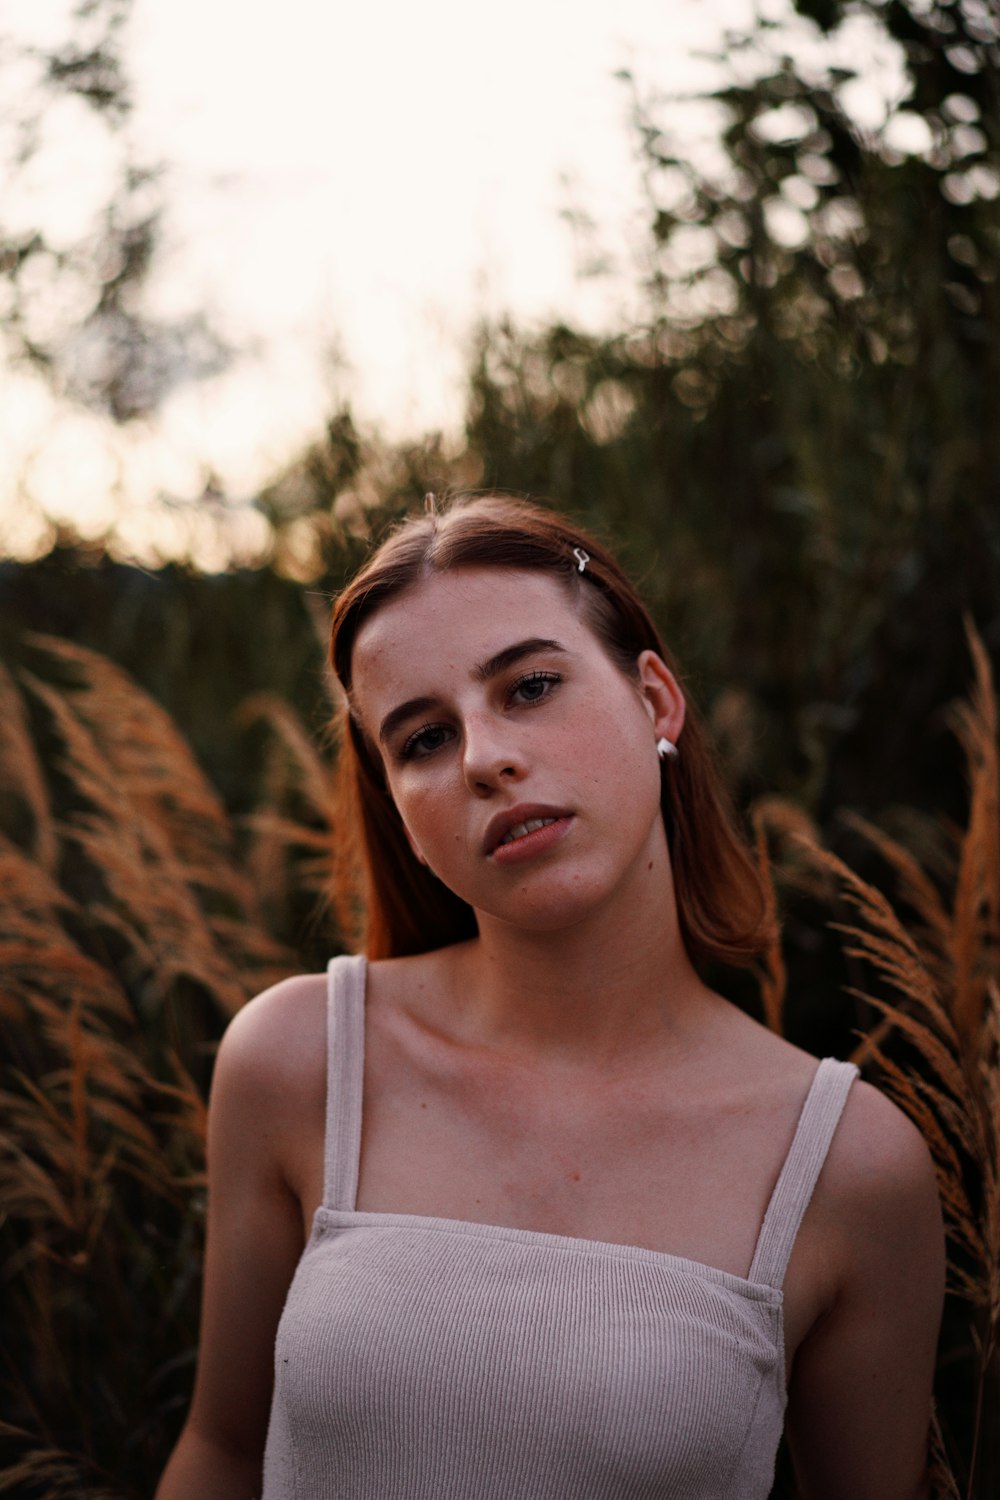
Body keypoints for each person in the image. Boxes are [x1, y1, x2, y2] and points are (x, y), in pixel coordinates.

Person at [156, 493, 944, 1500]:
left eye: (529, 686)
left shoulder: (846, 1163)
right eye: (423, 740)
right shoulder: (301, 1060)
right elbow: (222, 1450)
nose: (485, 758)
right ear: (396, 806)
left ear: (656, 699)